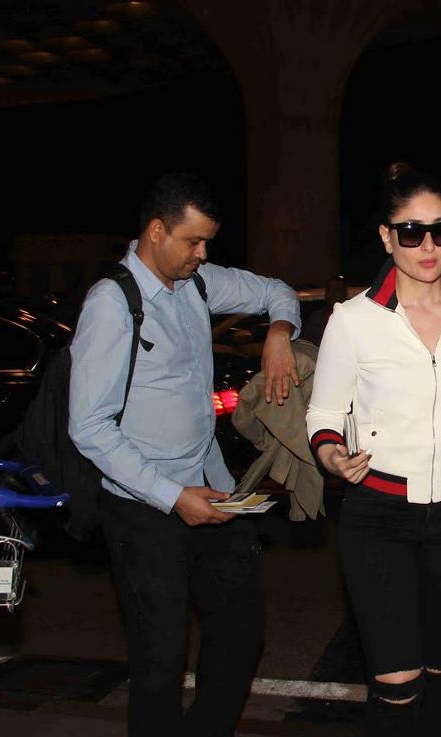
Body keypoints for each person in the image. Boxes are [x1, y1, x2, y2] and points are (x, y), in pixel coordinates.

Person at [69, 172, 302, 737]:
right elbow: (89, 427)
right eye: (193, 241)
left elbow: (278, 291)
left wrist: (278, 333)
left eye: (207, 243)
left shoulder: (195, 284)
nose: (203, 254)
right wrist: (173, 497)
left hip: (214, 488)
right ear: (156, 231)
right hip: (145, 507)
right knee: (160, 660)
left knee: (240, 634)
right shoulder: (112, 304)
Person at [306, 163, 441, 737]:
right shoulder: (354, 320)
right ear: (387, 237)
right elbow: (323, 416)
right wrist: (332, 456)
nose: (429, 246)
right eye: (411, 232)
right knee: (397, 684)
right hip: (378, 516)